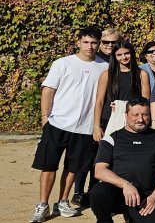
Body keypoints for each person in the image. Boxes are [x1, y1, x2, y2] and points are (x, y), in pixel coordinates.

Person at [30, 26, 108, 223]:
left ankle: (63, 201)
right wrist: (45, 117)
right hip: (57, 123)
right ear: (78, 42)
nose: (90, 46)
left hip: (85, 127)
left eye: (94, 42)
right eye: (86, 42)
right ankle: (43, 204)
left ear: (98, 44)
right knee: (48, 166)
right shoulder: (62, 63)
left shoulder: (104, 67)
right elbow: (48, 90)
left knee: (73, 167)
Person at [89, 97, 155, 223]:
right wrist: (125, 185)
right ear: (126, 115)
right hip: (120, 193)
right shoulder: (112, 138)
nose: (140, 119)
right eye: (135, 115)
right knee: (98, 193)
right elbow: (100, 170)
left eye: (145, 114)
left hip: (147, 197)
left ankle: (133, 217)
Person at [93, 40, 150, 139]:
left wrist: (124, 106)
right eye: (119, 55)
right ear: (114, 56)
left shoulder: (142, 74)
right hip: (108, 118)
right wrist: (96, 126)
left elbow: (145, 100)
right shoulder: (106, 75)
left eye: (127, 53)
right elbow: (99, 102)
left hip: (134, 120)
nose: (124, 57)